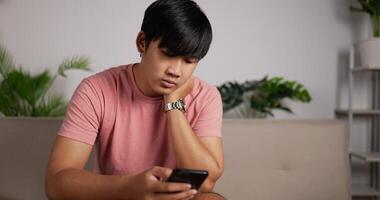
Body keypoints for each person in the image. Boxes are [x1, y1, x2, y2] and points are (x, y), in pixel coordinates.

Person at [45, 0, 225, 199]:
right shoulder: (96, 90)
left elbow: (206, 183)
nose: (175, 71)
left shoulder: (206, 96)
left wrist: (173, 102)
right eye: (167, 54)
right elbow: (56, 184)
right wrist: (130, 187)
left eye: (188, 61)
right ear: (142, 42)